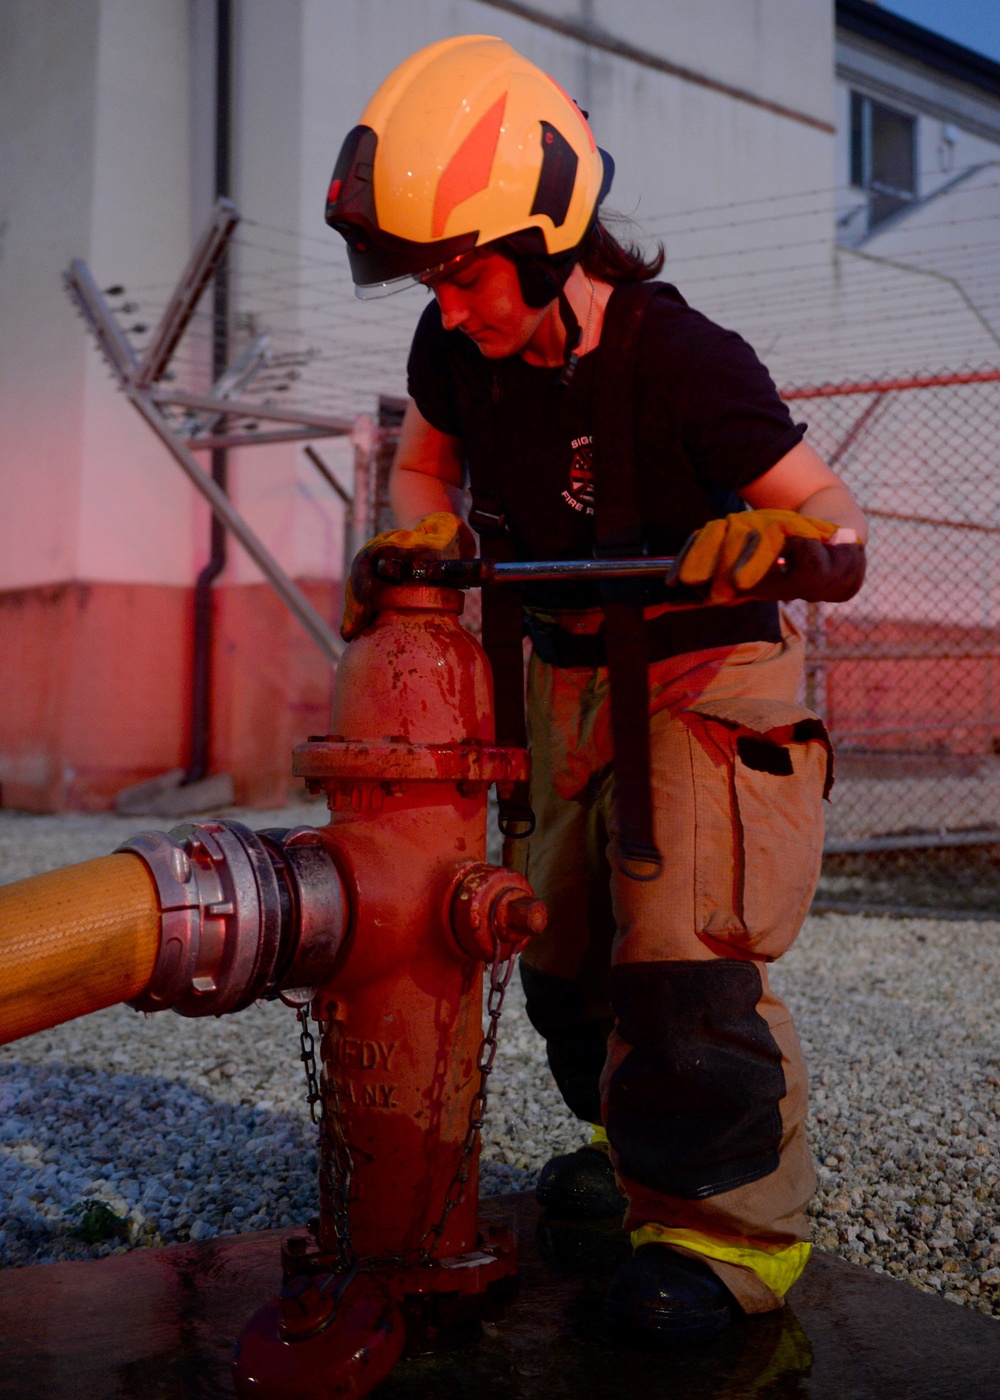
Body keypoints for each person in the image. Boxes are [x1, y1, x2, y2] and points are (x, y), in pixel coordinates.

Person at [325, 34, 867, 1343]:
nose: (448, 307)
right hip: (565, 675)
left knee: (680, 957)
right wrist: (422, 541)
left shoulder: (687, 363)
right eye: (427, 280)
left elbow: (836, 521)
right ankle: (628, 1154)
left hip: (706, 670)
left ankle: (728, 1242)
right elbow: (422, 472)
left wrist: (779, 541)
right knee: (559, 958)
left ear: (553, 234)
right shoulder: (455, 349)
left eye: (463, 273)